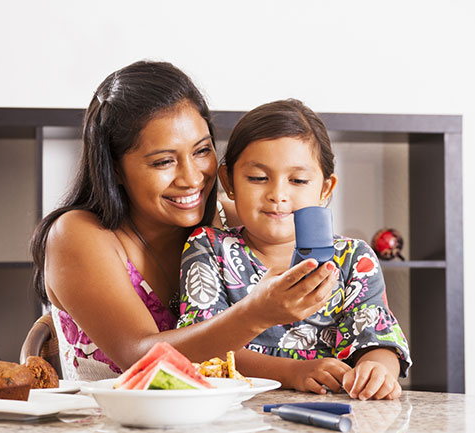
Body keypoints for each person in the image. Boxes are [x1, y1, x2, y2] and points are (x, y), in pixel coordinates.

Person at [30, 62, 339, 381]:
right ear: (115, 167)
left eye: (202, 151)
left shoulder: (228, 222)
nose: (192, 178)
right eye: (164, 161)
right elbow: (141, 359)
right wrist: (256, 313)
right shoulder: (79, 234)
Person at [178, 99, 412, 400]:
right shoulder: (208, 248)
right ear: (229, 181)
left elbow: (377, 338)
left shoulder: (354, 258)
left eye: (298, 180)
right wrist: (292, 373)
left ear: (325, 189)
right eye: (258, 178)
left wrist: (377, 369)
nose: (277, 194)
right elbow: (202, 349)